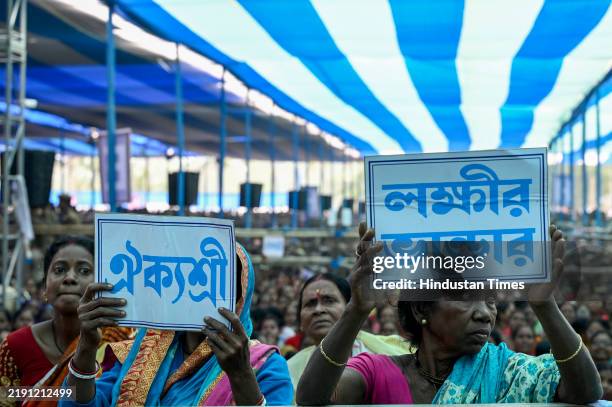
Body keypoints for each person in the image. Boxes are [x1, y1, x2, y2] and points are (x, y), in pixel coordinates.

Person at [296, 223, 603, 404]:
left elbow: (587, 390)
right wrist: (356, 310)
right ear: (421, 309)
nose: (484, 314)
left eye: (490, 301)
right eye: (466, 299)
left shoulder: (508, 371)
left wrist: (544, 306)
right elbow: (311, 398)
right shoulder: (378, 372)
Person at [61, 243, 293, 406]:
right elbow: (74, 404)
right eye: (189, 275)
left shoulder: (265, 366)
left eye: (216, 281)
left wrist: (242, 375)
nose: (200, 291)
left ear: (240, 297)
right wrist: (87, 346)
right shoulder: (137, 356)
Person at [0, 236, 131, 406]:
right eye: (59, 270)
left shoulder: (118, 341)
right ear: (45, 287)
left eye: (84, 271)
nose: (70, 278)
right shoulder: (15, 346)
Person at [285, 273, 411, 391]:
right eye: (310, 303)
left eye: (329, 300)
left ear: (351, 307)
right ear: (300, 322)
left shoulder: (398, 351)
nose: (318, 310)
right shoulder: (288, 371)